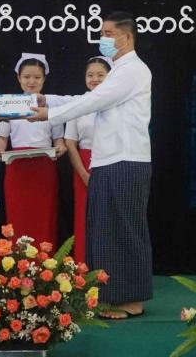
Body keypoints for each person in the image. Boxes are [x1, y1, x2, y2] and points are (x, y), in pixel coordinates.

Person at [28, 12, 152, 319]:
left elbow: (94, 101)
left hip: (126, 159)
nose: (103, 39)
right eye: (101, 33)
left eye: (109, 33)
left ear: (127, 37)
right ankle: (112, 296)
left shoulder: (132, 70)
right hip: (107, 160)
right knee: (105, 232)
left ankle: (132, 300)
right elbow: (86, 97)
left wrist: (50, 115)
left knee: (125, 230)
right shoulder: (119, 70)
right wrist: (48, 100)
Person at [0, 53, 67, 247]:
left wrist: (60, 147)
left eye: (37, 77)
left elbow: (58, 139)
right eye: (26, 77)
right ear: (19, 78)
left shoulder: (52, 107)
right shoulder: (9, 105)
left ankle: (45, 261)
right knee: (18, 215)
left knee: (44, 215)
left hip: (44, 167)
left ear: (44, 79)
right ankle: (18, 261)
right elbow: (1, 139)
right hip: (17, 168)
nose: (31, 81)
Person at [63, 56, 112, 264]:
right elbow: (69, 142)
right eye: (90, 75)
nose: (95, 79)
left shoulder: (117, 103)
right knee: (84, 216)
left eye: (100, 75)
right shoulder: (78, 103)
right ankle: (83, 269)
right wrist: (83, 173)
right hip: (83, 163)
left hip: (110, 163)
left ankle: (109, 270)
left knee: (109, 217)